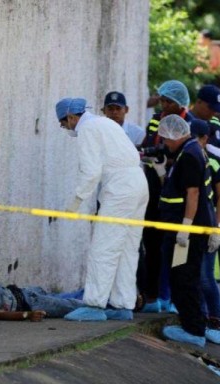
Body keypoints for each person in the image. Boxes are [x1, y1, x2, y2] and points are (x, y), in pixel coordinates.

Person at [56, 98, 149, 321]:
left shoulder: (87, 128)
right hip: (138, 183)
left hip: (120, 189)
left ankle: (95, 305)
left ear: (71, 117)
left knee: (103, 247)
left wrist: (76, 201)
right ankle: (122, 304)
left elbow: (90, 170)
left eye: (63, 124)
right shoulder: (104, 123)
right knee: (127, 248)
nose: (66, 128)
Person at [157, 115, 219, 347]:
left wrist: (185, 227)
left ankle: (194, 330)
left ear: (174, 134)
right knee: (181, 276)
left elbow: (193, 194)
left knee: (185, 277)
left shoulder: (190, 155)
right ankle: (191, 324)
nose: (164, 143)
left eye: (165, 139)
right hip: (189, 228)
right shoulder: (191, 151)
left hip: (187, 232)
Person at [139, 80, 193, 314]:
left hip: (177, 193)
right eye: (161, 100)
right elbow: (147, 145)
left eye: (168, 101)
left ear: (179, 103)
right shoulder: (155, 120)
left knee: (175, 251)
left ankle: (172, 298)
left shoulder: (189, 124)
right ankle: (152, 296)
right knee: (151, 244)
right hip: (153, 190)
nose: (163, 105)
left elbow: (185, 154)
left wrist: (166, 163)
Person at [190, 119, 220, 345]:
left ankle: (215, 321)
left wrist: (219, 228)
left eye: (197, 137)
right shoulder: (188, 159)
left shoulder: (215, 163)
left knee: (205, 277)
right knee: (192, 276)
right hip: (189, 225)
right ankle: (200, 317)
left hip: (209, 224)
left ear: (205, 139)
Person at [0, 270, 84, 321]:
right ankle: (101, 303)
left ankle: (96, 297)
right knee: (70, 305)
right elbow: (2, 315)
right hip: (32, 304)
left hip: (26, 292)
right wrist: (28, 314)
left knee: (64, 298)